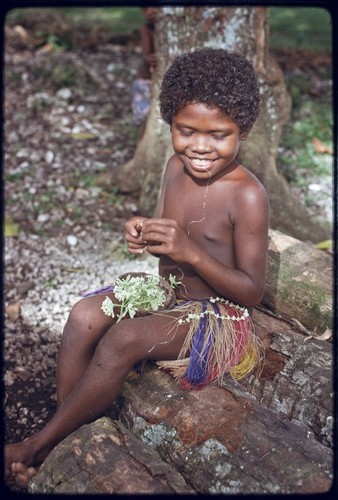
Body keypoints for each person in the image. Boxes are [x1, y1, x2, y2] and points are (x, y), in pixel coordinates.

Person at [5, 47, 269, 488]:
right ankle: (64, 429)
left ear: (243, 130)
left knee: (122, 339)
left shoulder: (248, 195)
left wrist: (190, 253)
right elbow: (168, 236)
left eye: (218, 135)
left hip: (215, 316)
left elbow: (251, 292)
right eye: (186, 131)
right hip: (165, 296)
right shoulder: (173, 167)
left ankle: (36, 446)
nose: (200, 147)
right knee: (84, 315)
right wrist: (144, 231)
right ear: (168, 123)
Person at [131, 7, 157, 139]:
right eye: (144, 9)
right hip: (145, 80)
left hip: (156, 82)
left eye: (153, 7)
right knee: (145, 120)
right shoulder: (146, 29)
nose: (149, 12)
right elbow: (147, 56)